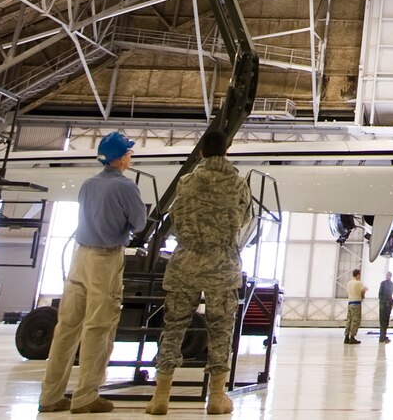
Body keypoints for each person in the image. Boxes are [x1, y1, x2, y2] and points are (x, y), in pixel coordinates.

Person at [40, 131, 147, 414]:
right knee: (98, 327)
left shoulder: (88, 185)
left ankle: (50, 395)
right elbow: (139, 222)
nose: (131, 156)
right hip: (105, 259)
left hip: (80, 258)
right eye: (129, 152)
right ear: (122, 157)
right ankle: (86, 395)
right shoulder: (126, 187)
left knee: (66, 328)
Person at [146, 130, 252, 417]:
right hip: (222, 264)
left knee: (174, 327)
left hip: (186, 263)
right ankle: (216, 398)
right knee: (220, 331)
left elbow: (176, 217)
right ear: (226, 151)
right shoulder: (239, 184)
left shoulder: (186, 182)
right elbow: (245, 219)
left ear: (201, 153)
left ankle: (160, 397)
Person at [343, 267, 367, 345]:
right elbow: (363, 290)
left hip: (350, 303)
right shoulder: (358, 283)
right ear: (358, 274)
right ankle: (352, 337)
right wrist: (363, 295)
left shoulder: (349, 283)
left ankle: (346, 337)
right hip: (356, 303)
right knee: (355, 320)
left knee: (349, 320)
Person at [377, 271, 393, 343]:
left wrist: (391, 302)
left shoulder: (391, 284)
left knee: (386, 321)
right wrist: (384, 301)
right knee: (383, 321)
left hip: (388, 304)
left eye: (388, 275)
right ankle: (382, 337)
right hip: (383, 304)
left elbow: (390, 294)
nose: (387, 277)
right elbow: (380, 294)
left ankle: (383, 336)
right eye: (386, 275)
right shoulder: (383, 283)